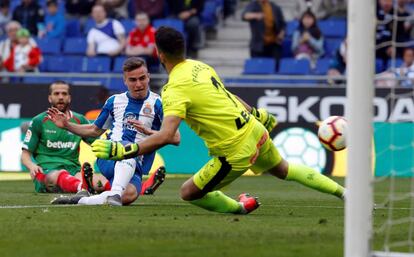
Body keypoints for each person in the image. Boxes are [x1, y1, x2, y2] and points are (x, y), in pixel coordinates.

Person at [90, 26, 345, 215]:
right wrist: (256, 114)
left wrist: (124, 150)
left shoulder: (174, 89)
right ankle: (344, 193)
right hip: (254, 129)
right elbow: (228, 95)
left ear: (159, 54)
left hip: (234, 150)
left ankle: (240, 208)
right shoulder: (200, 66)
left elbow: (168, 135)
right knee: (283, 169)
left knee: (189, 192)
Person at [47, 57, 174, 206]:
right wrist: (67, 125)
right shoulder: (114, 101)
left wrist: (149, 131)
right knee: (129, 149)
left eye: (142, 78)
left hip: (137, 164)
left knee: (129, 195)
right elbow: (94, 130)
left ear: (148, 77)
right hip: (110, 155)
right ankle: (114, 193)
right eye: (133, 80)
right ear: (125, 81)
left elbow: (174, 137)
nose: (138, 84)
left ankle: (81, 200)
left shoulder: (158, 103)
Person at [21, 81, 110, 194]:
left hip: (74, 170)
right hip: (47, 170)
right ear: (50, 98)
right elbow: (25, 155)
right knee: (57, 175)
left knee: (99, 181)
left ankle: (124, 190)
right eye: (56, 94)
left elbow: (97, 144)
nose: (61, 97)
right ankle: (82, 188)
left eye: (64, 94)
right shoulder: (39, 121)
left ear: (69, 97)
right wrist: (31, 165)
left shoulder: (79, 120)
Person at [242, 0, 286, 71]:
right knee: (257, 69)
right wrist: (256, 15)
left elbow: (283, 24)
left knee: (275, 67)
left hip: (274, 43)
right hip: (258, 44)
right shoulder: (253, 5)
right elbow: (244, 16)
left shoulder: (275, 7)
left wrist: (282, 33)